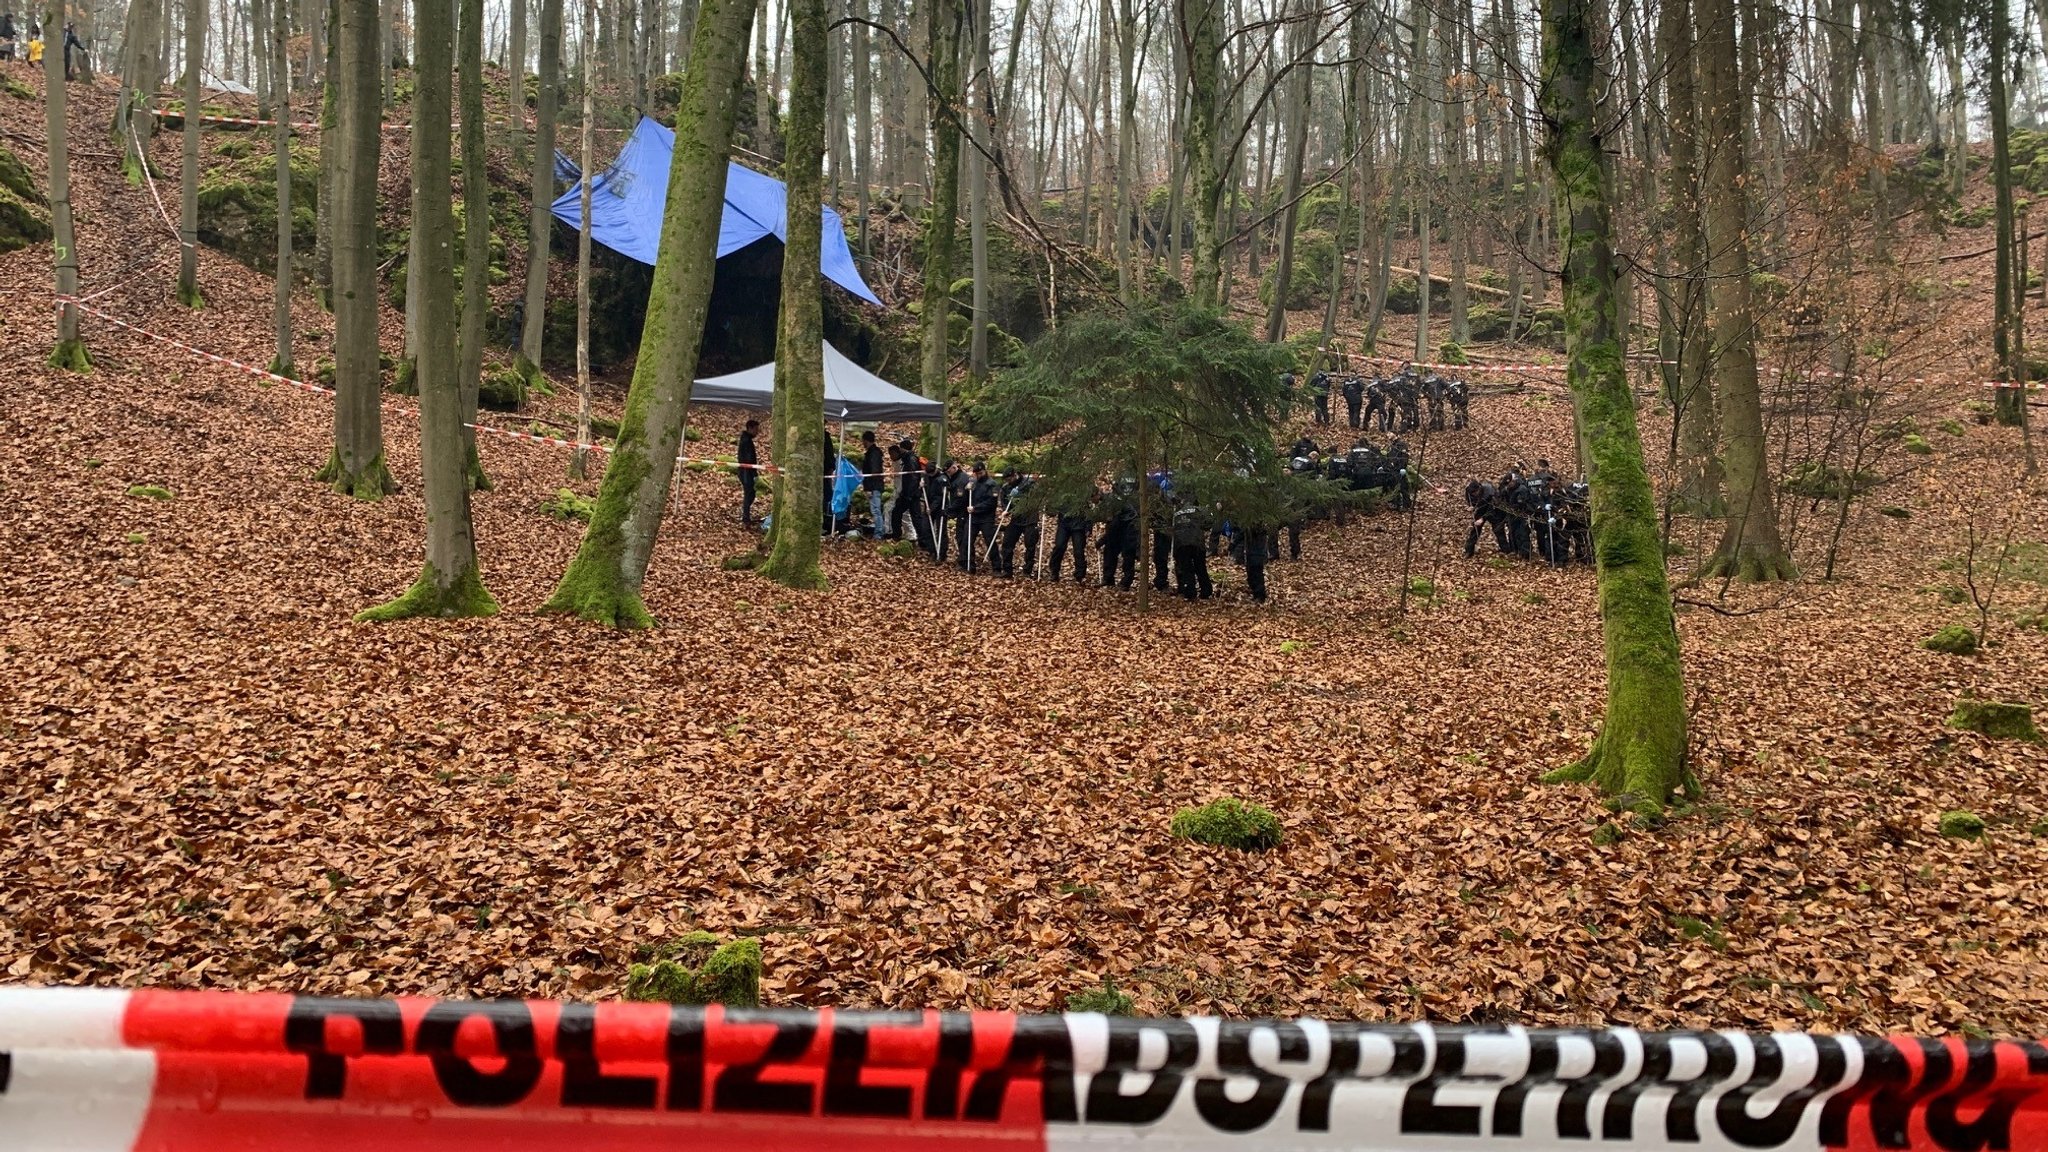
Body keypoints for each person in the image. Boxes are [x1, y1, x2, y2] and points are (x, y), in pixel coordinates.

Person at [887, 437, 932, 550]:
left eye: (901, 448)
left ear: (904, 449)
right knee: (915, 517)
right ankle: (922, 541)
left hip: (910, 494)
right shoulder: (909, 458)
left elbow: (912, 478)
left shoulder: (910, 460)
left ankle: (898, 535)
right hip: (912, 494)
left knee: (899, 513)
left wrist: (907, 495)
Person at [996, 470, 1040, 578]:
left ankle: (1027, 571)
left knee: (1030, 544)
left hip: (1030, 518)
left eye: (1010, 479)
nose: (1008, 481)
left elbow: (1036, 498)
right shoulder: (1006, 487)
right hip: (1016, 519)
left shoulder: (1029, 483)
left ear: (1015, 475)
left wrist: (1020, 495)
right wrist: (1006, 510)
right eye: (1006, 480)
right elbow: (1005, 502)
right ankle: (1007, 570)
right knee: (1007, 543)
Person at [1049, 487, 1094, 583]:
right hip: (1064, 523)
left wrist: (1089, 526)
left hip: (1079, 525)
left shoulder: (1083, 489)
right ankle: (1054, 571)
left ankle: (1080, 574)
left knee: (1078, 550)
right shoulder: (1061, 490)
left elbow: (1088, 510)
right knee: (1059, 546)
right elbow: (1053, 509)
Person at [1170, 500, 1213, 600]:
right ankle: (1206, 591)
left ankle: (1189, 592)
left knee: (1186, 568)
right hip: (1196, 542)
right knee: (1200, 567)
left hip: (1181, 544)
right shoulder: (1199, 510)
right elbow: (1208, 523)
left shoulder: (1177, 514)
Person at [963, 461, 999, 572]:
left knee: (990, 541)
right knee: (967, 540)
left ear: (984, 471)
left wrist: (976, 508)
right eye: (976, 473)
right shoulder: (973, 483)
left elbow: (991, 502)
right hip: (973, 517)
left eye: (980, 473)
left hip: (986, 518)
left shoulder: (991, 484)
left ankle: (997, 567)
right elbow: (967, 497)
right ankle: (970, 565)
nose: (979, 475)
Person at [860, 430, 886, 538]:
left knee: (875, 510)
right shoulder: (873, 453)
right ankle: (879, 530)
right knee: (875, 510)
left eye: (863, 441)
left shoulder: (873, 454)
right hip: (874, 485)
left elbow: (874, 472)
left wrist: (869, 488)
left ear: (866, 441)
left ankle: (879, 533)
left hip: (874, 486)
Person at [736, 419, 761, 528]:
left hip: (749, 471)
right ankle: (745, 518)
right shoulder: (745, 440)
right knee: (748, 493)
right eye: (756, 429)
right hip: (746, 471)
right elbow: (747, 458)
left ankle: (746, 514)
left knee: (751, 493)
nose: (757, 432)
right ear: (750, 428)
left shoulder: (747, 440)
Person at [1240, 523, 1273, 603]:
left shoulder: (1261, 521)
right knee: (1250, 572)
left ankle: (1260, 595)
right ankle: (1255, 592)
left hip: (1258, 550)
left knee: (1257, 571)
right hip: (1250, 550)